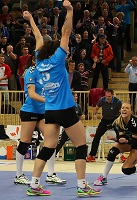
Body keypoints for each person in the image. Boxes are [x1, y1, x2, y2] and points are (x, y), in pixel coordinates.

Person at [23, 1, 100, 196]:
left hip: (49, 110)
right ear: (56, 51)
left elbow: (38, 36)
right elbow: (66, 32)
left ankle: (33, 185)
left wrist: (31, 19)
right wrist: (70, 10)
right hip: (65, 109)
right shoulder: (57, 59)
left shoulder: (39, 62)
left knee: (48, 147)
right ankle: (82, 186)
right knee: (81, 146)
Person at [14, 55, 65, 185]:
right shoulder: (30, 72)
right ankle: (19, 175)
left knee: (51, 139)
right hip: (30, 110)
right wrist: (48, 100)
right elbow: (31, 94)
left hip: (43, 112)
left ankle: (50, 174)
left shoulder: (47, 72)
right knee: (25, 141)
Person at [93, 102, 137, 186]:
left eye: (127, 108)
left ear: (131, 111)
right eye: (122, 108)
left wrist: (124, 141)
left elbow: (133, 141)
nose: (124, 109)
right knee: (112, 152)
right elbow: (121, 138)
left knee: (126, 170)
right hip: (128, 142)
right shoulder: (117, 122)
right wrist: (115, 139)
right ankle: (104, 177)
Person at [86, 88, 122, 162]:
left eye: (109, 96)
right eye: (106, 96)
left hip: (115, 120)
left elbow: (122, 112)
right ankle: (92, 156)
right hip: (105, 120)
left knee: (121, 136)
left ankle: (122, 156)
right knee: (97, 137)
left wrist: (120, 120)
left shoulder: (118, 102)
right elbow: (96, 108)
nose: (107, 98)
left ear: (112, 95)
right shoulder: (102, 100)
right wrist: (95, 114)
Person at [55, 91, 85, 156]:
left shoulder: (78, 106)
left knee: (80, 143)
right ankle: (53, 155)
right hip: (68, 127)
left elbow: (80, 116)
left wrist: (82, 117)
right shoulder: (66, 106)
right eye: (74, 96)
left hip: (76, 128)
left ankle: (80, 156)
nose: (76, 98)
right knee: (61, 142)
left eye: (76, 96)